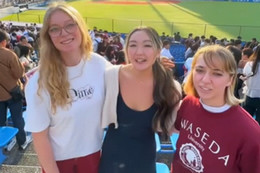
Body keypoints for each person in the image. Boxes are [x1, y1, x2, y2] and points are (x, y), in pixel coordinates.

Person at [24, 3, 110, 173]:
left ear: (81, 27)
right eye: (55, 29)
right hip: (60, 164)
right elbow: (40, 136)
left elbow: (129, 81)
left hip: (96, 157)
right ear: (48, 36)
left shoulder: (99, 64)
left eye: (70, 25)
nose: (64, 33)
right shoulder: (39, 82)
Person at [99, 26, 182, 173]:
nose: (139, 52)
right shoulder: (110, 76)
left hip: (144, 163)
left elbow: (172, 128)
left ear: (158, 51)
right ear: (126, 49)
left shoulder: (170, 87)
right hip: (110, 161)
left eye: (147, 45)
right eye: (133, 45)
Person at [171, 45, 260, 173]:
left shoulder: (249, 133)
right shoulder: (188, 103)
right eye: (200, 70)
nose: (205, 80)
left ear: (230, 79)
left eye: (217, 73)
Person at [0, 29, 31, 150]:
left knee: (0, 121)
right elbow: (19, 73)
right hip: (12, 92)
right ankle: (22, 142)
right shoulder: (9, 54)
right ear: (3, 42)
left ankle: (5, 142)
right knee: (17, 118)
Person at [241, 45, 260, 125]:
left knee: (245, 122)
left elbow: (245, 76)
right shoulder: (250, 63)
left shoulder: (249, 64)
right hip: (255, 95)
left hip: (248, 95)